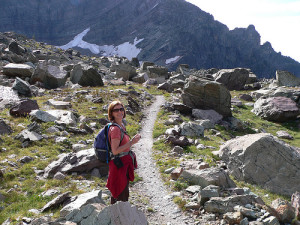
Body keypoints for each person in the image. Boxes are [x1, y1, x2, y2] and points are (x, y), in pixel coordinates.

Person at [106, 100, 141, 204]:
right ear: (111, 113)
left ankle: (119, 217)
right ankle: (118, 218)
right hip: (119, 166)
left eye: (121, 109)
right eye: (116, 110)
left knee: (122, 193)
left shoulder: (121, 126)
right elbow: (115, 150)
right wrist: (131, 142)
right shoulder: (116, 129)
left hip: (122, 165)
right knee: (120, 194)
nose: (120, 111)